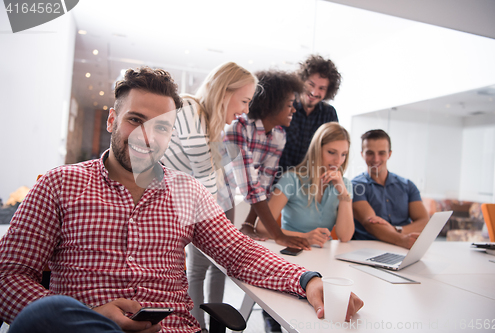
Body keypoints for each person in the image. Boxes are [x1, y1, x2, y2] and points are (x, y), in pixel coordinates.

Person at [0, 67, 363, 333]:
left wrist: (307, 280)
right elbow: (8, 276)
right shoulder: (60, 184)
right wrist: (87, 314)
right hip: (82, 328)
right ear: (112, 120)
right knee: (42, 318)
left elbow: (239, 253)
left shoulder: (187, 191)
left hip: (173, 330)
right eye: (135, 120)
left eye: (161, 126)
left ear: (171, 133)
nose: (146, 136)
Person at [161, 62, 257, 332]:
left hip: (184, 207)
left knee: (211, 267)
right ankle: (197, 327)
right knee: (194, 270)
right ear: (225, 93)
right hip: (160, 207)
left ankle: (207, 326)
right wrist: (224, 230)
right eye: (245, 100)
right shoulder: (190, 109)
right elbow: (204, 175)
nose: (246, 110)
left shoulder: (210, 126)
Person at [225, 70, 310, 250]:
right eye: (289, 104)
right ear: (272, 104)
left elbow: (263, 184)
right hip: (209, 190)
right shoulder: (238, 127)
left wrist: (249, 224)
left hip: (229, 192)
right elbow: (249, 184)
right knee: (202, 262)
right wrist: (278, 235)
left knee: (222, 255)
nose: (294, 109)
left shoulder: (279, 135)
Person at [256, 122, 354, 246]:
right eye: (331, 152)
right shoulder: (291, 179)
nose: (338, 160)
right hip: (291, 250)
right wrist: (304, 237)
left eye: (343, 154)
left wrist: (343, 193)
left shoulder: (344, 185)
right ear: (317, 149)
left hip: (322, 256)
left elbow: (345, 236)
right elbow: (261, 228)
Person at [351, 129, 430, 249]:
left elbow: (424, 221)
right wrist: (402, 239)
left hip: (404, 247)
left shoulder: (408, 185)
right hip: (367, 249)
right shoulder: (356, 186)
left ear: (390, 154)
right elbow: (371, 224)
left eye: (381, 153)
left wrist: (396, 230)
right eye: (370, 153)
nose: (376, 159)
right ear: (362, 154)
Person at [278, 54, 341, 173]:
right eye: (311, 84)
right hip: (279, 180)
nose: (314, 92)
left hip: (310, 183)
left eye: (321, 88)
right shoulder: (284, 106)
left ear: (328, 91)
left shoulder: (329, 113)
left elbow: (333, 149)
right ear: (301, 81)